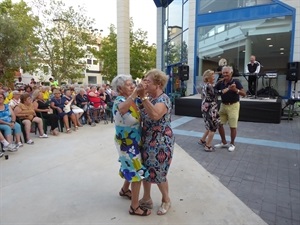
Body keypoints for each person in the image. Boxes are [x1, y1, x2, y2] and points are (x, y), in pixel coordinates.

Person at [111, 74, 151, 216]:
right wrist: (135, 94)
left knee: (128, 166)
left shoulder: (133, 100)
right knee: (136, 173)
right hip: (126, 143)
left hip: (134, 140)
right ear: (120, 88)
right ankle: (134, 207)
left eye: (132, 83)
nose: (133, 86)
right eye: (129, 85)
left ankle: (124, 190)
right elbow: (122, 109)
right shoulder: (119, 101)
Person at [137, 69, 175, 215]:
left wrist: (143, 98)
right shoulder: (150, 98)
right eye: (144, 80)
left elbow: (155, 115)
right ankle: (147, 199)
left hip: (161, 141)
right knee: (146, 170)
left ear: (158, 84)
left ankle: (166, 200)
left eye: (148, 81)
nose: (145, 83)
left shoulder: (163, 99)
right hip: (147, 139)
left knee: (159, 172)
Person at [214, 66, 246, 152]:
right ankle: (224, 142)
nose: (225, 74)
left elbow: (244, 94)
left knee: (233, 126)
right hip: (223, 105)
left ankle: (232, 143)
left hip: (233, 106)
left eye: (226, 72)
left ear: (231, 73)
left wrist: (236, 90)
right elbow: (213, 90)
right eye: (223, 73)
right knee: (219, 124)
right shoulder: (220, 82)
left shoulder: (236, 82)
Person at [198, 70, 220, 152]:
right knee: (213, 127)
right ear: (208, 77)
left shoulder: (205, 85)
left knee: (209, 125)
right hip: (211, 108)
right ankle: (208, 146)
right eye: (213, 76)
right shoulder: (209, 86)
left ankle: (202, 140)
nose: (214, 77)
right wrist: (227, 89)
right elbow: (217, 93)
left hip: (205, 107)